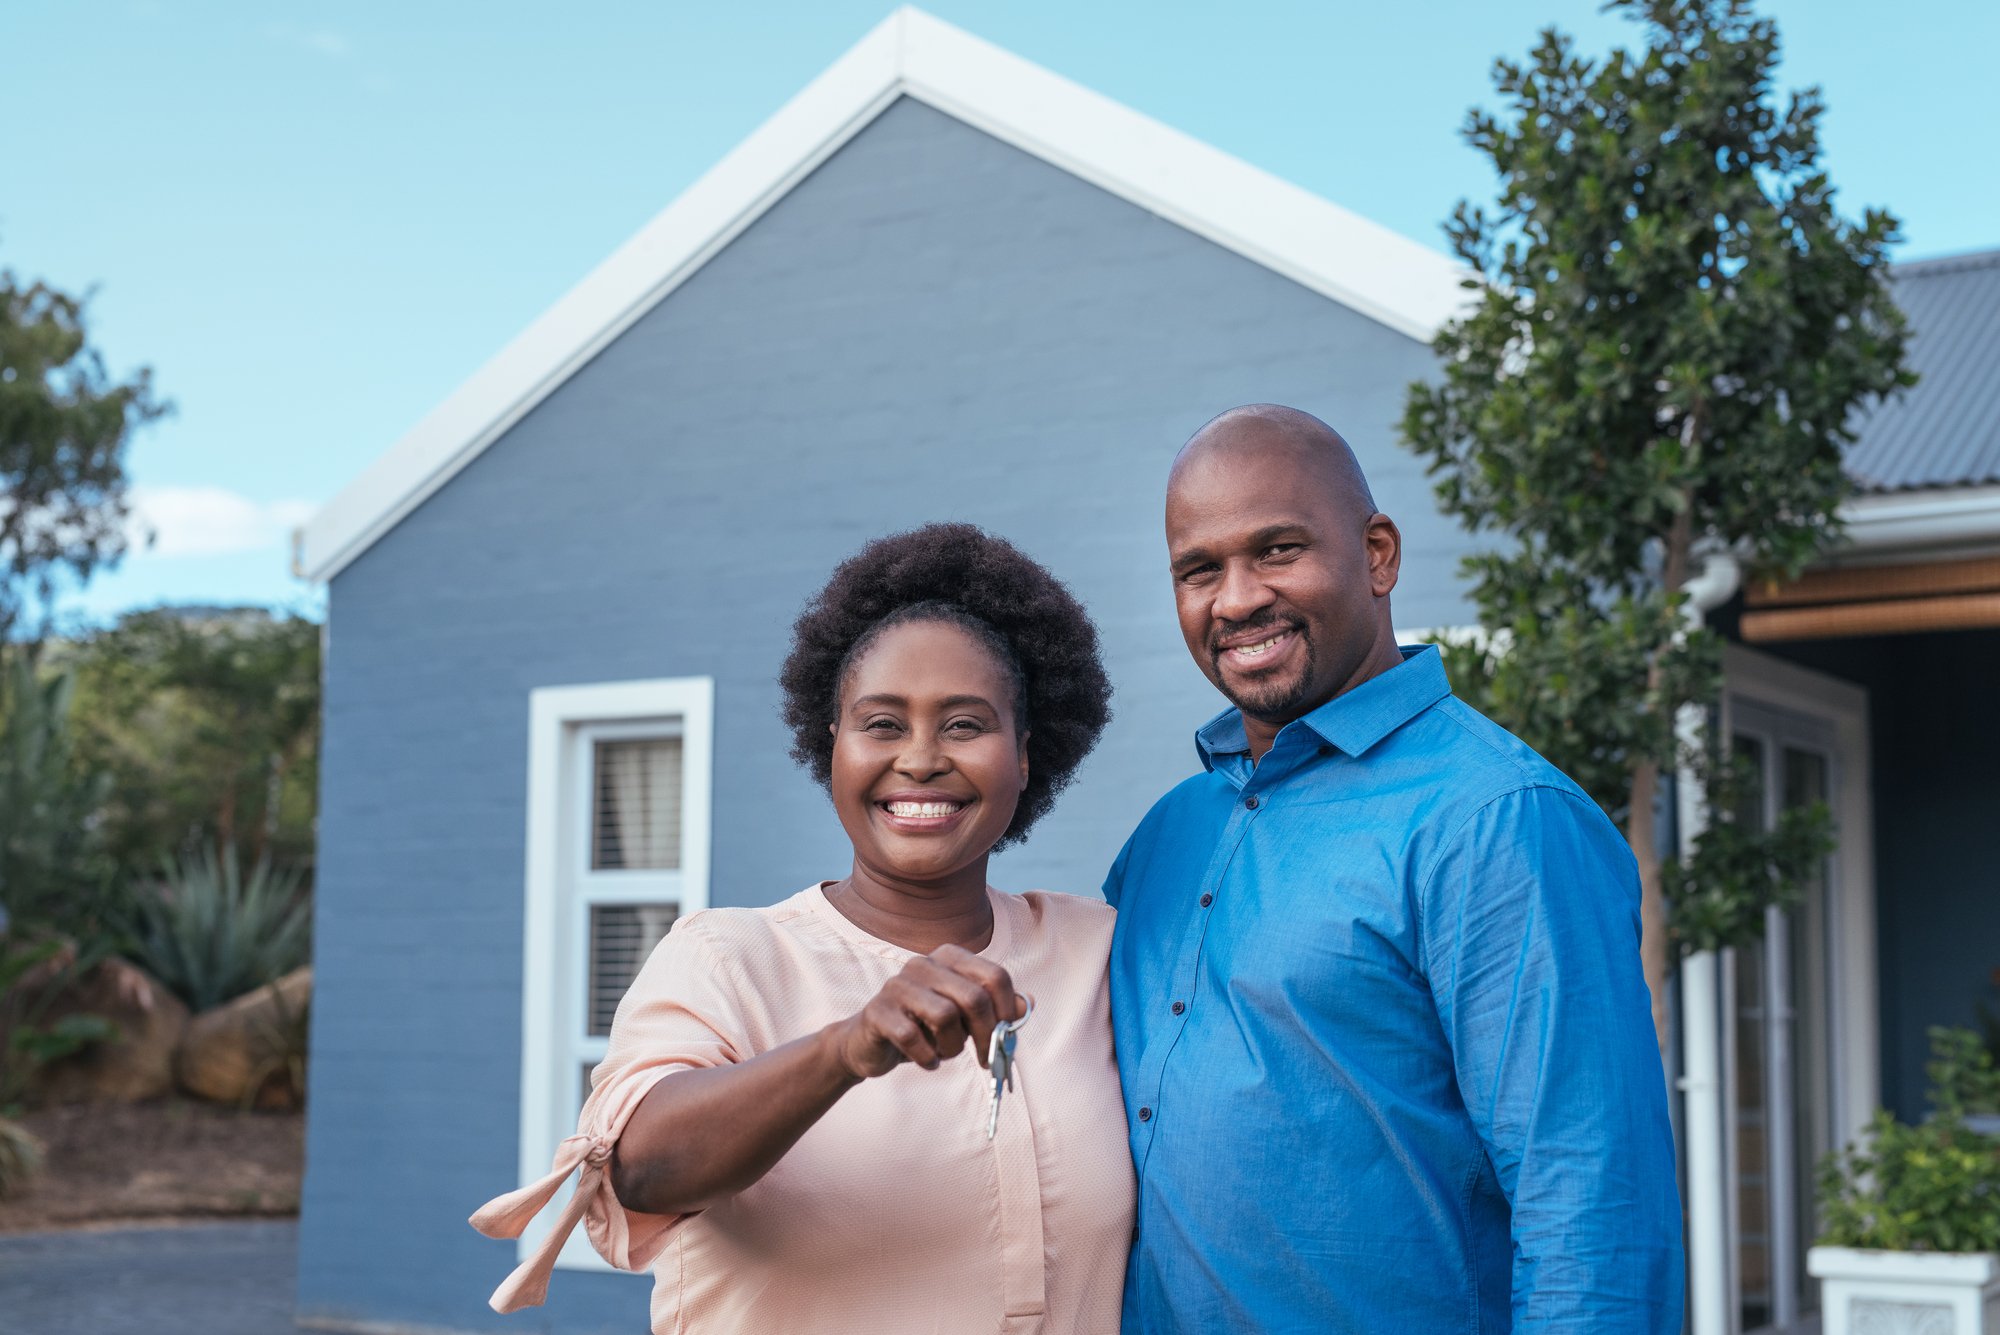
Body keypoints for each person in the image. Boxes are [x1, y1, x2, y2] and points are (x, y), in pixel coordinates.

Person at [1106, 405, 1685, 1332]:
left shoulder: (1499, 818)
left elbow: (1592, 1212)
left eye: (1279, 550)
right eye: (1200, 569)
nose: (1238, 598)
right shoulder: (1167, 837)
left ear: (1378, 553)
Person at [472, 523, 1134, 1333]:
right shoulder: (729, 957)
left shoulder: (1097, 951)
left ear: (1025, 756)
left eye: (965, 724)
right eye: (882, 724)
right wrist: (843, 1048)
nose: (921, 758)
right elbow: (639, 1166)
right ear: (834, 750)